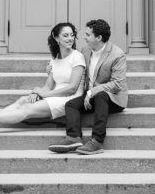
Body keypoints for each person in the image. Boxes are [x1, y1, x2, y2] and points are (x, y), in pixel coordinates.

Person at [0, 22, 85, 135]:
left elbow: (72, 88)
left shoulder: (77, 57)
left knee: (27, 109)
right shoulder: (55, 58)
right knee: (22, 100)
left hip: (69, 99)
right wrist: (37, 92)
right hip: (54, 95)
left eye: (72, 35)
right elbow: (47, 86)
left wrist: (46, 94)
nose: (70, 38)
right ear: (56, 38)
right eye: (65, 35)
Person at [48, 18, 127, 155]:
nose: (84, 37)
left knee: (101, 95)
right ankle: (73, 138)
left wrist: (92, 92)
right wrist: (53, 67)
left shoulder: (117, 54)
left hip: (112, 98)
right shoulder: (85, 50)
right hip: (90, 97)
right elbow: (70, 62)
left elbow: (117, 84)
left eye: (88, 35)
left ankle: (97, 142)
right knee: (71, 105)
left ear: (99, 37)